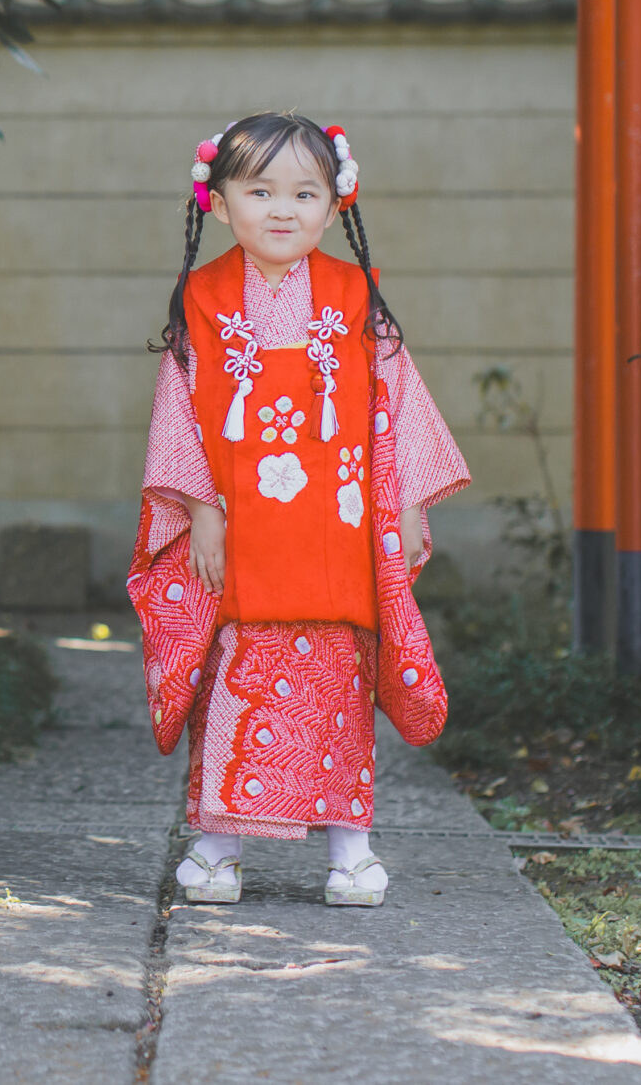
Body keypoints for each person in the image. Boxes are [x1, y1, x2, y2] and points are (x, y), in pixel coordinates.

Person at [128, 111, 469, 909]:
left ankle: (351, 848)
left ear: (335, 201)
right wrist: (201, 508)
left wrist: (410, 502)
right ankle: (218, 845)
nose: (283, 210)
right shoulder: (205, 296)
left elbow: (397, 400)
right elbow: (179, 409)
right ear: (218, 202)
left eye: (305, 192)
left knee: (338, 681)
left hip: (337, 528)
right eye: (261, 190)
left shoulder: (354, 295)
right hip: (238, 527)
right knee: (234, 679)